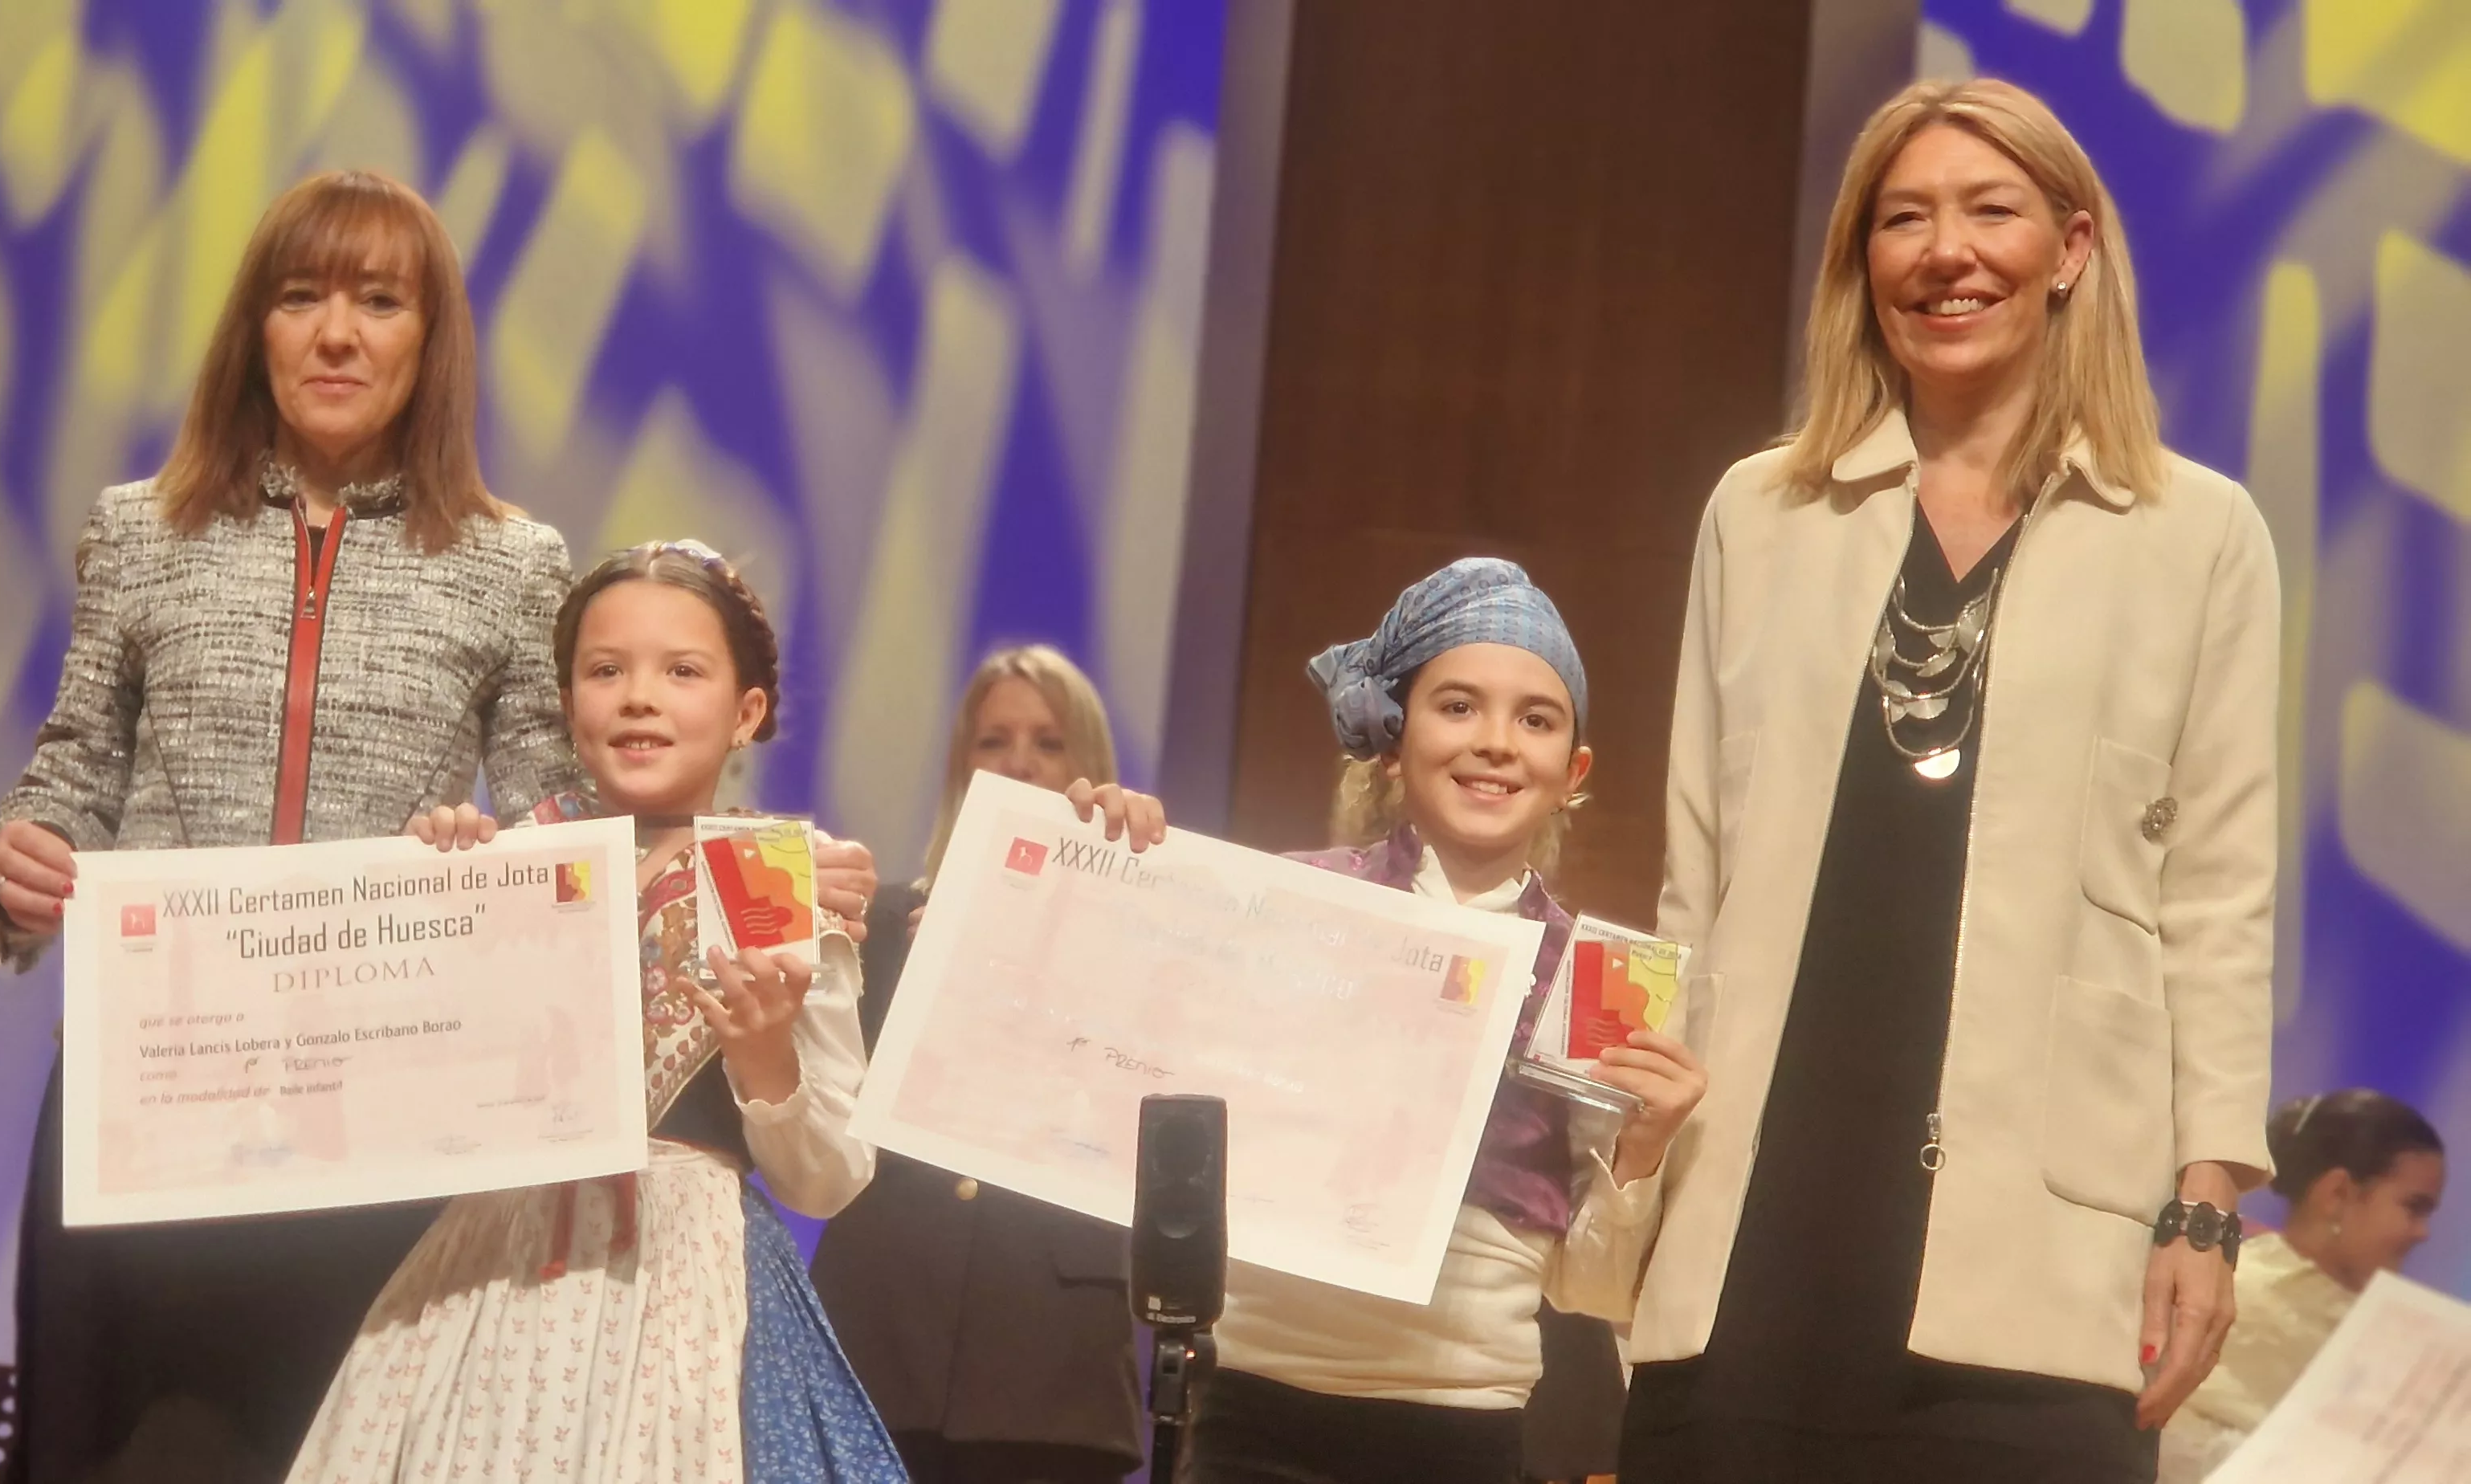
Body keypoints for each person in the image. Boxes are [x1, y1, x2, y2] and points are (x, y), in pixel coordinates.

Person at [0, 173, 871, 1483]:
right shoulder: (142, 530)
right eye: (301, 297)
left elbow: (570, 823)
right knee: (107, 1454)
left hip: (374, 1110)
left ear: (429, 343)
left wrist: (758, 865)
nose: (337, 334)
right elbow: (75, 763)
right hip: (146, 1080)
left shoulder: (509, 561)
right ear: (254, 328)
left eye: (380, 303)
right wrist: (19, 862)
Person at [1617, 79, 2282, 1484]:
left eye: (1991, 211)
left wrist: (2207, 1204)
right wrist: (1634, 1181)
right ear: (1862, 261)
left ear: (2073, 248)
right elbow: (1695, 869)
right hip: (1752, 1228)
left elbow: (2219, 900)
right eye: (1903, 219)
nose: (1946, 253)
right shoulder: (1762, 510)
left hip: (2043, 1251)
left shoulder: (2197, 534)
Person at [285, 543, 1157, 1482]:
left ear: (746, 713)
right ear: (568, 701)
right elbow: (397, 1102)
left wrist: (767, 1059)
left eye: (682, 672)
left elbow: (828, 1181)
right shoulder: (505, 863)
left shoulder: (775, 877)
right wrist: (431, 886)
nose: (639, 698)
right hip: (492, 1278)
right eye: (606, 671)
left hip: (680, 1293)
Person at [1181, 558, 1706, 1484]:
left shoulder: (1600, 978)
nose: (1496, 743)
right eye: (1458, 706)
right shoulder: (1291, 904)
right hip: (1256, 1407)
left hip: (1464, 1424)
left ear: (1573, 770)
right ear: (1393, 739)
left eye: (1535, 720)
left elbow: (1589, 1288)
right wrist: (1115, 856)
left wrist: (1645, 1146)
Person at [812, 645, 1149, 1484]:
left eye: (1049, 742)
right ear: (963, 763)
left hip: (1047, 1364)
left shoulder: (1130, 926)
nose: (1020, 763)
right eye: (993, 741)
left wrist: (1120, 894)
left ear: (1087, 762)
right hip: (881, 1335)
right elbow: (825, 1115)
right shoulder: (881, 923)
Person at [2157, 1091, 2445, 1482]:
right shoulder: (2236, 1294)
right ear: (2337, 1193)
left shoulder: (2402, 1336)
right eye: (2414, 1207)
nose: (2423, 1233)